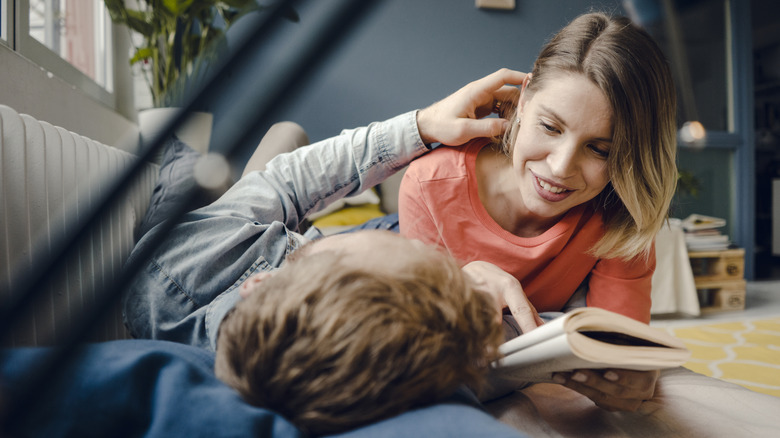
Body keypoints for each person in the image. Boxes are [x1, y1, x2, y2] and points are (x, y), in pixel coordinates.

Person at [122, 69, 527, 435]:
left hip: (226, 236)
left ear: (264, 282)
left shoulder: (172, 271)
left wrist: (424, 124)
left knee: (284, 135)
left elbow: (289, 180)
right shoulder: (391, 357)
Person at [397, 12, 677, 412]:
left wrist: (632, 375)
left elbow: (622, 348)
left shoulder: (620, 218)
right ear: (524, 100)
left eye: (600, 149)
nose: (561, 167)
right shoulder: (430, 183)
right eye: (550, 127)